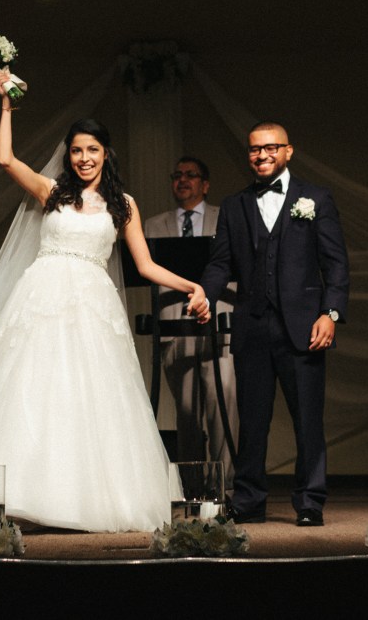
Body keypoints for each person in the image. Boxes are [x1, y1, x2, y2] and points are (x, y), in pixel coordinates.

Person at [0, 70, 211, 532]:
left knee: (91, 396)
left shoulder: (122, 204)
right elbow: (7, 160)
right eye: (77, 150)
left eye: (93, 149)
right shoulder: (53, 193)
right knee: (33, 391)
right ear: (67, 156)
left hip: (91, 307)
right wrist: (6, 103)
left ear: (106, 153)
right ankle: (26, 497)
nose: (85, 158)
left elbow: (145, 266)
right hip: (42, 298)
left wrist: (192, 286)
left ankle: (84, 498)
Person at [188, 121, 349, 527]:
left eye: (271, 148)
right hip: (253, 327)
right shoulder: (235, 205)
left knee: (308, 420)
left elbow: (336, 265)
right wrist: (205, 294)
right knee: (253, 420)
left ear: (288, 151)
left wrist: (330, 314)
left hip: (304, 327)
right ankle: (249, 500)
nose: (262, 156)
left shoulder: (315, 198)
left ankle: (310, 501)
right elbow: (221, 263)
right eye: (255, 150)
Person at [144, 158, 238, 492]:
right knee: (186, 413)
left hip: (218, 324)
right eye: (177, 176)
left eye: (190, 175)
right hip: (175, 325)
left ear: (206, 184)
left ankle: (224, 486)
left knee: (222, 405)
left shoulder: (224, 219)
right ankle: (192, 489)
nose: (182, 181)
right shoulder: (153, 226)